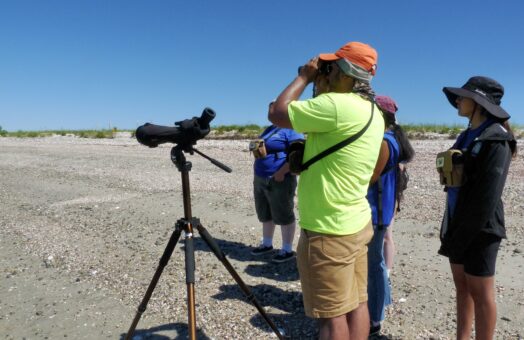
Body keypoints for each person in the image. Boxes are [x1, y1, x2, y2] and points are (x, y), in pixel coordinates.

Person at [269, 41, 384, 340]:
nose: (326, 71)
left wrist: (305, 77)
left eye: (331, 67)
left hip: (327, 230)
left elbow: (277, 112)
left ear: (345, 70)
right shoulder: (373, 113)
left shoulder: (336, 106)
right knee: (357, 304)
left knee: (331, 319)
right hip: (356, 223)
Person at [438, 76, 517, 340]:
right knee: (462, 288)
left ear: (479, 102)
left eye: (463, 96)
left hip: (481, 230)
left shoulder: (497, 139)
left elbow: (488, 197)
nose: (458, 100)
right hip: (456, 221)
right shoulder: (466, 136)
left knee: (481, 294)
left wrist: (462, 235)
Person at [366, 95, 414, 338]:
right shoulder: (394, 139)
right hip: (383, 208)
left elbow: (370, 177)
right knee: (377, 264)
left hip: (375, 211)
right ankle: (379, 306)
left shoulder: (383, 141)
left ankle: (374, 318)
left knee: (373, 264)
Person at [250, 101, 304, 263]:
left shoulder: (292, 129)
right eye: (270, 109)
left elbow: (298, 154)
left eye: (275, 108)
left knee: (283, 213)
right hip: (261, 176)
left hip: (279, 178)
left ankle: (287, 249)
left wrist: (281, 172)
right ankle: (267, 243)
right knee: (265, 212)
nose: (272, 111)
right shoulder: (269, 129)